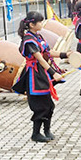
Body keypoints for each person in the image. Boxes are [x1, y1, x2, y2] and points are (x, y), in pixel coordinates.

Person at [13, 12, 65, 142]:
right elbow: (40, 59)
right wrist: (54, 73)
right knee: (40, 107)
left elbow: (48, 53)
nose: (42, 24)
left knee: (49, 105)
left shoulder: (38, 36)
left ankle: (46, 130)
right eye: (40, 22)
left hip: (41, 73)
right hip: (34, 76)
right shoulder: (28, 40)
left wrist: (65, 54)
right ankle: (35, 134)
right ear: (31, 24)